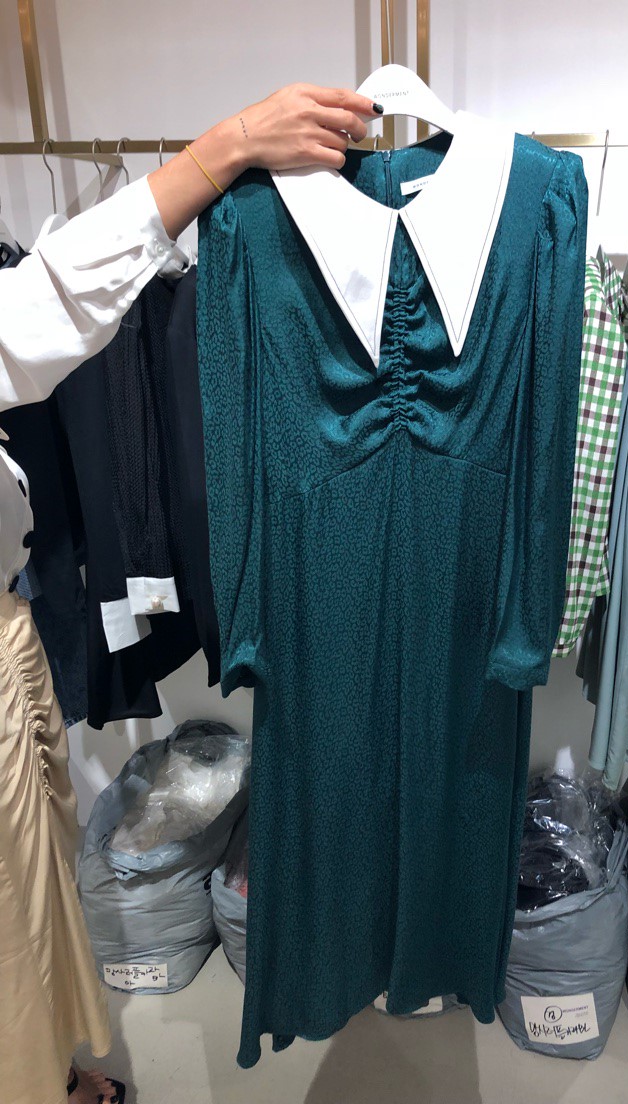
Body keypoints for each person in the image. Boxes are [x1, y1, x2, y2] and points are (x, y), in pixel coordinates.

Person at [0, 83, 381, 1104]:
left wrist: (225, 151)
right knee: (11, 917)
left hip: (13, 630)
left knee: (29, 899)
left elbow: (37, 313)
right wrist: (226, 150)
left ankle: (44, 1072)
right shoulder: (208, 289)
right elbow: (47, 318)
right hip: (45, 611)